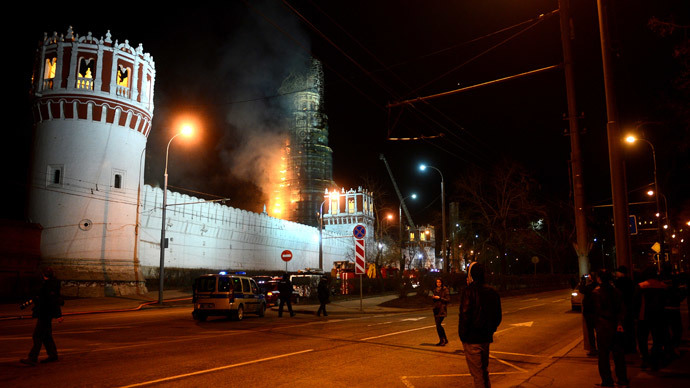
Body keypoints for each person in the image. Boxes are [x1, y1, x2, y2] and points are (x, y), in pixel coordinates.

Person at [458, 262, 502, 388]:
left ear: (471, 276)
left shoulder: (469, 291)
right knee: (483, 371)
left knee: (477, 374)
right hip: (485, 337)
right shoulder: (492, 292)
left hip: (472, 339)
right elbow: (497, 317)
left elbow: (465, 315)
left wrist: (463, 336)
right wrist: (490, 330)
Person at [592, 269, 629, 387]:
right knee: (618, 354)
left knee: (603, 355)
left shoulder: (596, 292)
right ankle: (622, 379)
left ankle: (607, 380)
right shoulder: (616, 291)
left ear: (599, 279)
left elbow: (595, 311)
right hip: (616, 326)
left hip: (603, 327)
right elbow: (622, 309)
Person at [21, 267, 64, 366]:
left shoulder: (49, 286)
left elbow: (53, 300)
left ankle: (32, 358)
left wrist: (58, 315)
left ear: (43, 275)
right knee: (46, 336)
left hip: (45, 313)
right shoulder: (50, 284)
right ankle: (53, 355)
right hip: (46, 313)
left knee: (37, 335)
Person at [614, 265, 636, 353]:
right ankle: (631, 347)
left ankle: (624, 347)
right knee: (630, 328)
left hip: (622, 308)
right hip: (630, 307)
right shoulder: (631, 281)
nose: (616, 273)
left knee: (622, 328)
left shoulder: (618, 282)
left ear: (621, 273)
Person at [579, 271, 598, 356]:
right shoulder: (597, 286)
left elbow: (582, 290)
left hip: (590, 311)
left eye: (590, 275)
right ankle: (600, 348)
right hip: (596, 311)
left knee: (591, 331)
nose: (588, 276)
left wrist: (582, 281)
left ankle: (593, 349)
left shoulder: (591, 286)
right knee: (598, 331)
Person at [432, 278, 450, 346]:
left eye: (439, 282)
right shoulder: (435, 290)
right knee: (438, 325)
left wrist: (439, 298)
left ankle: (442, 340)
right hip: (436, 309)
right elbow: (434, 300)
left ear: (442, 283)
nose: (438, 283)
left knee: (438, 325)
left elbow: (448, 300)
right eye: (437, 282)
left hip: (442, 309)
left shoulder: (445, 289)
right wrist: (434, 298)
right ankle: (444, 339)